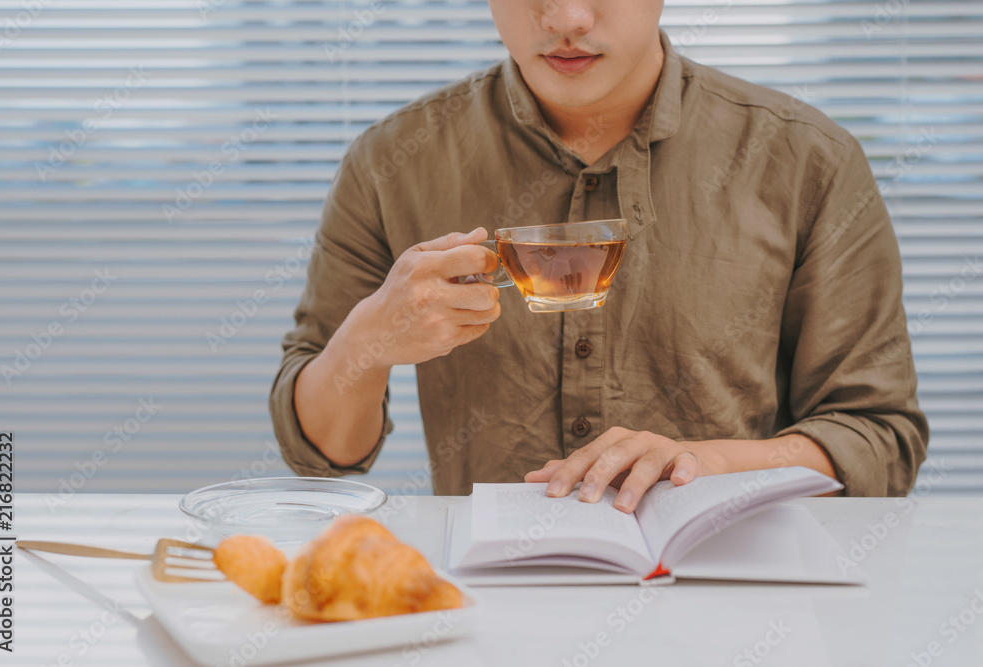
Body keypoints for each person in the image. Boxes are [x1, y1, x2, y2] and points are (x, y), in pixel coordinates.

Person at [269, 0, 929, 512]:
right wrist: (367, 342)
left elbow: (879, 440)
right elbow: (323, 455)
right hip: (489, 611)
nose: (567, 20)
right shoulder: (390, 164)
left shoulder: (809, 161)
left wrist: (699, 461)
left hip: (730, 599)